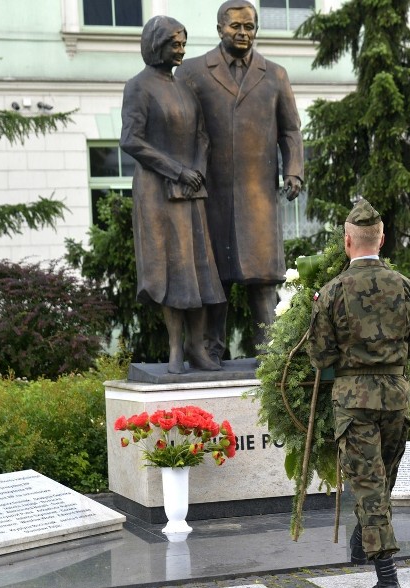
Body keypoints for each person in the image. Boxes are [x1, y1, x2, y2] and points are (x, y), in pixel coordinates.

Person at [307, 199, 410, 588]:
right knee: (380, 481)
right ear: (383, 239)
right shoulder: (407, 287)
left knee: (368, 484)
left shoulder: (332, 293)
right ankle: (363, 543)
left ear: (348, 241)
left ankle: (387, 579)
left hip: (353, 399)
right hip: (396, 396)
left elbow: (320, 356)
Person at [175, 0, 304, 362]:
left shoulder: (275, 74)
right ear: (220, 29)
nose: (243, 33)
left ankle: (273, 355)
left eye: (249, 27)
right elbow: (179, 127)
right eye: (236, 27)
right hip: (209, 194)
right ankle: (212, 351)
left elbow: (291, 131)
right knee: (214, 279)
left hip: (258, 195)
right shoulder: (193, 72)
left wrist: (293, 170)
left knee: (263, 282)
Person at [120, 15, 225, 374]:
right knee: (169, 270)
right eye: (174, 44)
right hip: (157, 194)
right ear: (155, 45)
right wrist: (177, 170)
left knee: (197, 270)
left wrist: (196, 170)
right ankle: (176, 349)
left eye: (183, 43)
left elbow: (203, 136)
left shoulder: (184, 87)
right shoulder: (139, 86)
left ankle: (197, 347)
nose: (180, 50)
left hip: (191, 191)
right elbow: (131, 140)